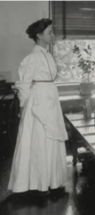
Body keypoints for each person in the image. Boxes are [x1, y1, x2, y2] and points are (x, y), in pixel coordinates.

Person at [8, 19, 68, 195]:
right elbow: (24, 84)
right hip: (38, 102)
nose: (53, 35)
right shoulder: (32, 58)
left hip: (50, 98)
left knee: (51, 139)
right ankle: (38, 182)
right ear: (39, 35)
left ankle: (52, 179)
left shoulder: (48, 55)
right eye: (50, 32)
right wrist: (23, 106)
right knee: (39, 140)